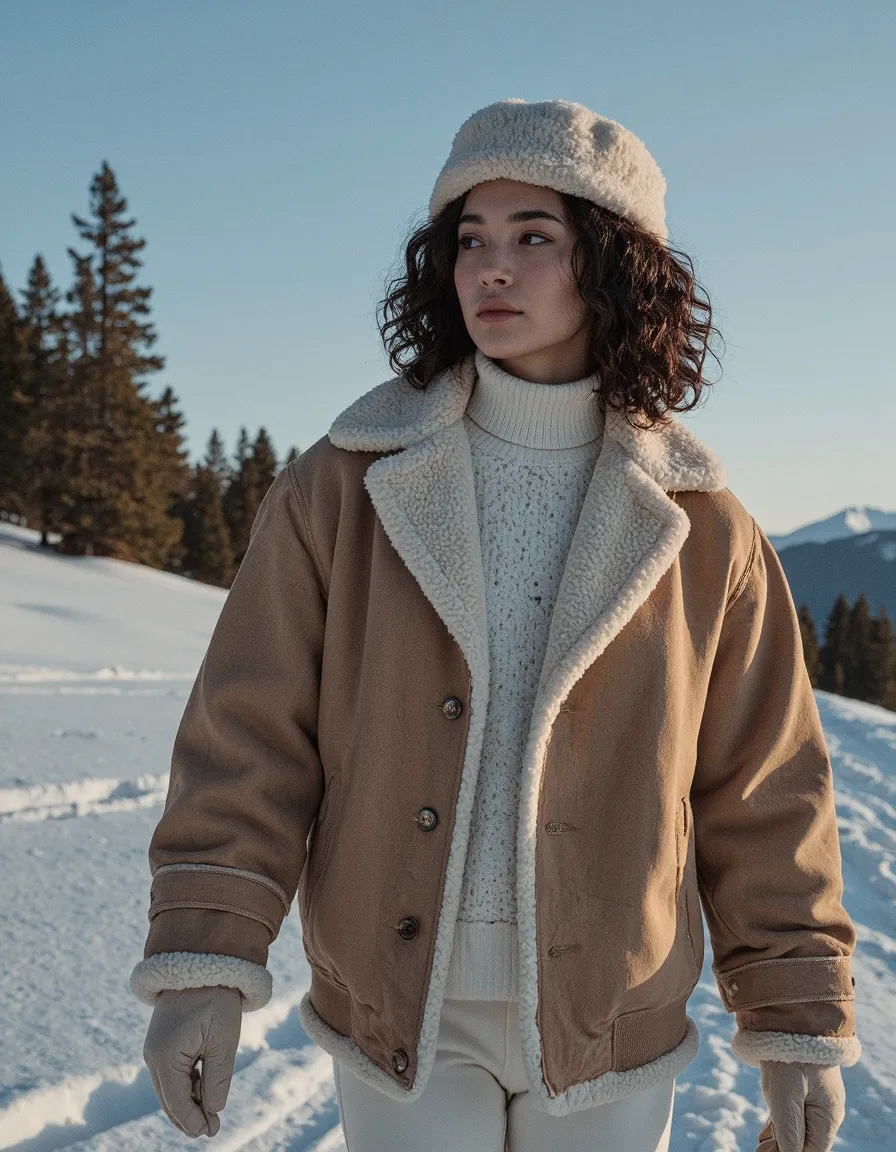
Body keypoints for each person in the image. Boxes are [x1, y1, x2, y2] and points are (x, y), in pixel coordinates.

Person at [130, 98, 860, 1151]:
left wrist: (794, 1022)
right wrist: (203, 964)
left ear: (613, 266)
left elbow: (762, 788)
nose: (490, 269)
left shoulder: (703, 527)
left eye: (532, 238)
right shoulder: (345, 484)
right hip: (396, 1010)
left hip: (612, 1009)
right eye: (470, 240)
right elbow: (248, 738)